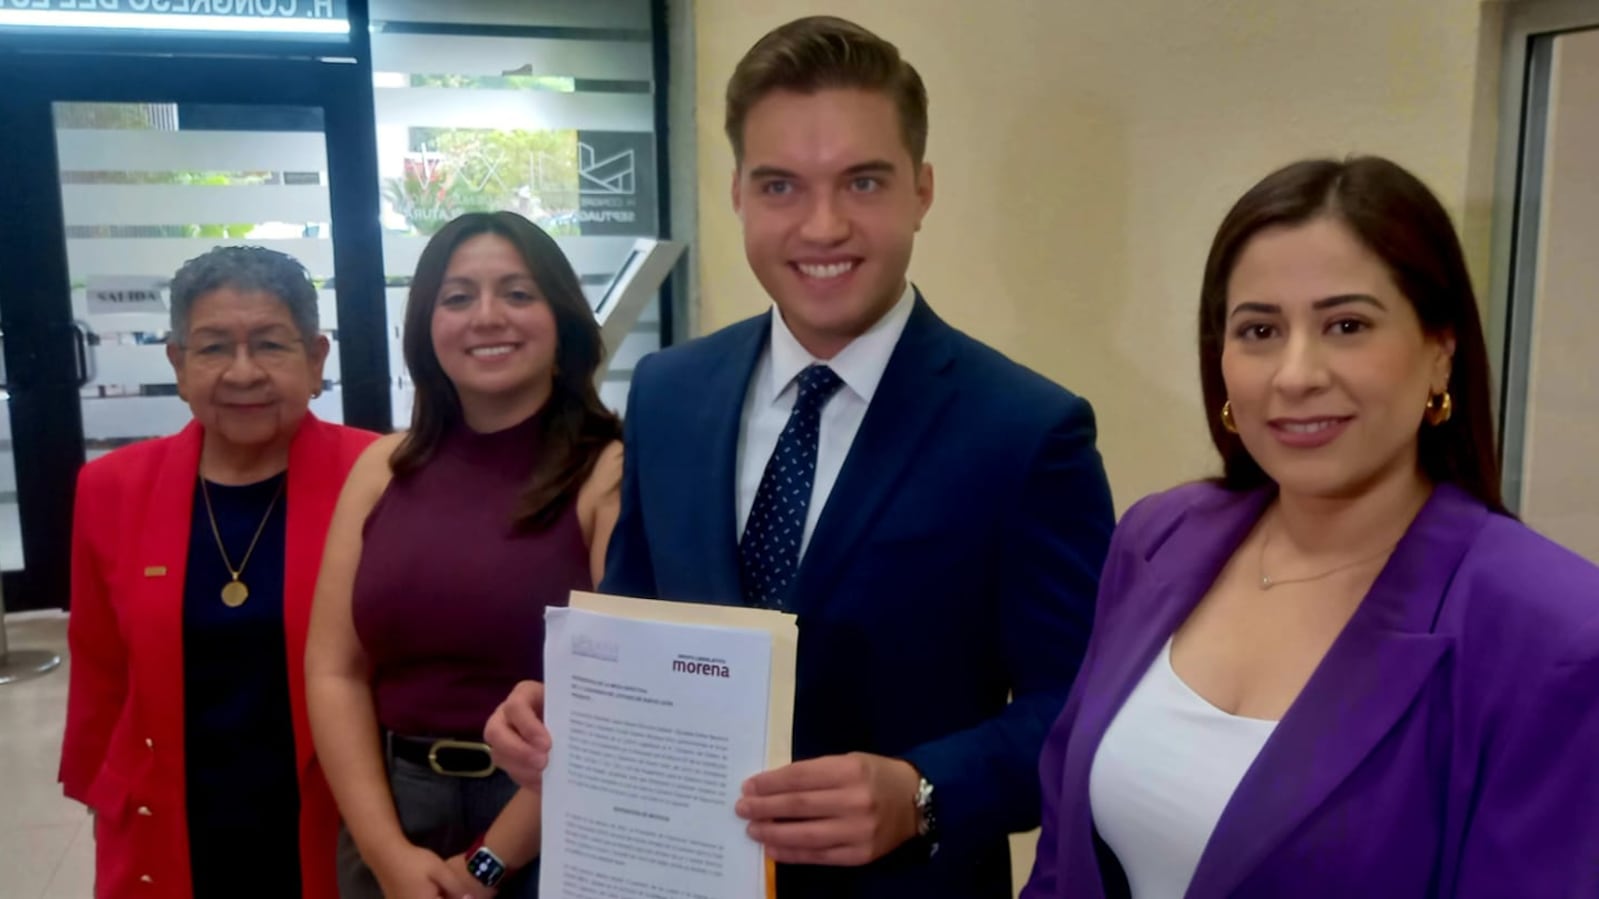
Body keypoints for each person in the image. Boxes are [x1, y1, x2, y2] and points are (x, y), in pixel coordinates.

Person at [484, 16, 1115, 899]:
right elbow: (635, 627)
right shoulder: (668, 392)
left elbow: (1082, 706)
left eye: (862, 181)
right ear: (738, 191)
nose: (823, 226)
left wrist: (924, 791)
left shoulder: (1024, 430)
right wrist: (569, 710)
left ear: (921, 191)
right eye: (781, 185)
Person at [1021, 156, 1599, 899]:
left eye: (1345, 325)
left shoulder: (1554, 629)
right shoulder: (1157, 536)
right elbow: (1064, 863)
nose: (1294, 374)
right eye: (1258, 329)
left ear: (1439, 351)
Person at [306, 211, 623, 899]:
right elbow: (334, 669)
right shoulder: (379, 468)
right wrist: (385, 851)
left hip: (548, 820)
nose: (486, 317)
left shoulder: (610, 471)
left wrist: (487, 863)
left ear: (561, 319)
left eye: (517, 293)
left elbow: (616, 701)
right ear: (425, 325)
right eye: (457, 297)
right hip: (392, 811)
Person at [59, 246, 379, 898]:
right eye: (211, 348)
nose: (242, 372)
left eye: (270, 344)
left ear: (316, 359)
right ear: (177, 363)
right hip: (169, 816)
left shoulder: (376, 476)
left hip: (335, 816)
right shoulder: (111, 487)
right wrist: (102, 796)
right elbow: (97, 668)